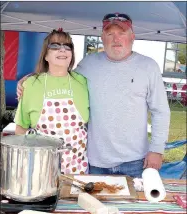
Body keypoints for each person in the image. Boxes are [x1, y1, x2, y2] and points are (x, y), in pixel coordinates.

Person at [17, 13, 170, 178]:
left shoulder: (148, 67)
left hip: (135, 161)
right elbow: (59, 74)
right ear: (102, 38)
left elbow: (160, 111)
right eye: (110, 34)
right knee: (95, 204)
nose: (115, 39)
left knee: (134, 204)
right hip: (95, 163)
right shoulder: (88, 65)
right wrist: (30, 79)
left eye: (121, 33)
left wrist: (156, 150)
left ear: (132, 37)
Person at [15, 29, 89, 175]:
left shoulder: (83, 81)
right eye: (55, 45)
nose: (62, 49)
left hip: (78, 170)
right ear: (46, 55)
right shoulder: (30, 84)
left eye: (68, 46)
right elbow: (20, 129)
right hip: (41, 171)